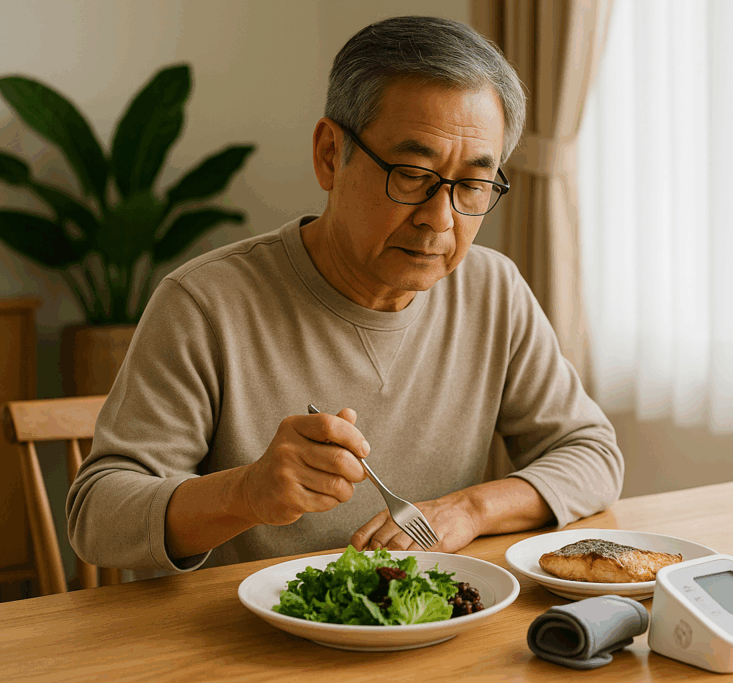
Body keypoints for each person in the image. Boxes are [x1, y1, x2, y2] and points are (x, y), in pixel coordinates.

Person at [67, 15, 623, 573]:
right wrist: (247, 493)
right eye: (411, 173)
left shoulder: (492, 289)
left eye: (474, 185)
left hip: (436, 627)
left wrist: (469, 510)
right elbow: (97, 515)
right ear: (331, 154)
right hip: (241, 643)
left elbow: (592, 454)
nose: (440, 220)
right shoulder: (204, 303)